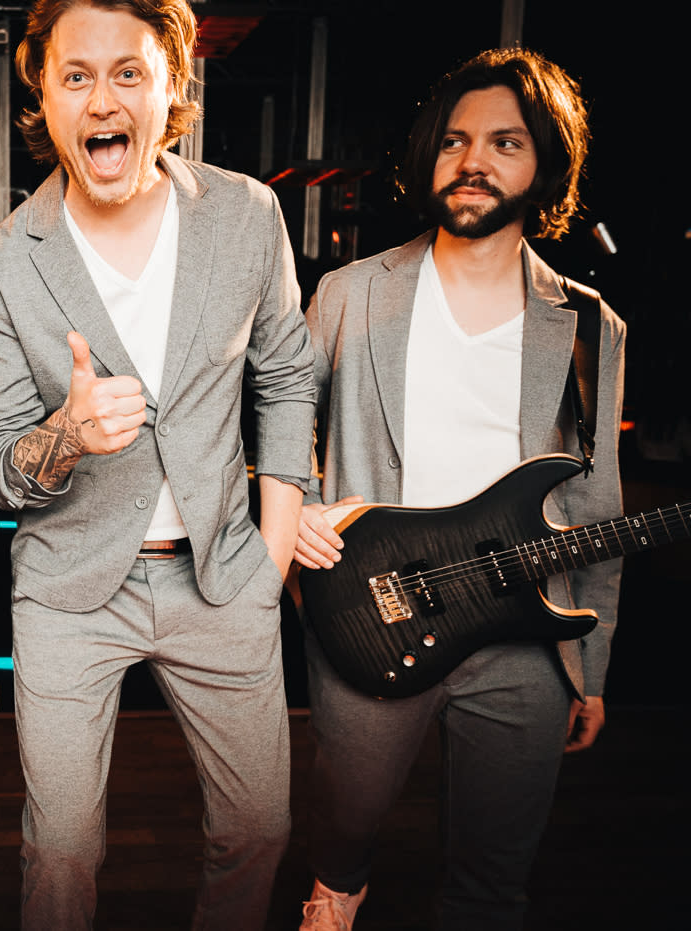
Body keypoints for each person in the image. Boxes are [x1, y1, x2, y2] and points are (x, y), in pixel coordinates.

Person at [0, 1, 315, 927]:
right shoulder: (1, 265)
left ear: (172, 83)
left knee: (259, 829)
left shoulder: (247, 214)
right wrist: (66, 434)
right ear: (42, 96)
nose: (102, 99)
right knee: (61, 850)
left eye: (129, 72)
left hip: (223, 577)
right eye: (75, 76)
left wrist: (271, 562)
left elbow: (286, 379)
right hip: (68, 590)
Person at [293, 48, 624, 931]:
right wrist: (296, 511)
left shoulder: (591, 326)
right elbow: (279, 431)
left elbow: (597, 505)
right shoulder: (349, 295)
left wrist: (589, 668)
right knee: (340, 842)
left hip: (526, 638)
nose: (472, 160)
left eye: (505, 142)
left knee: (493, 878)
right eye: (453, 140)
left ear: (545, 166)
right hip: (374, 610)